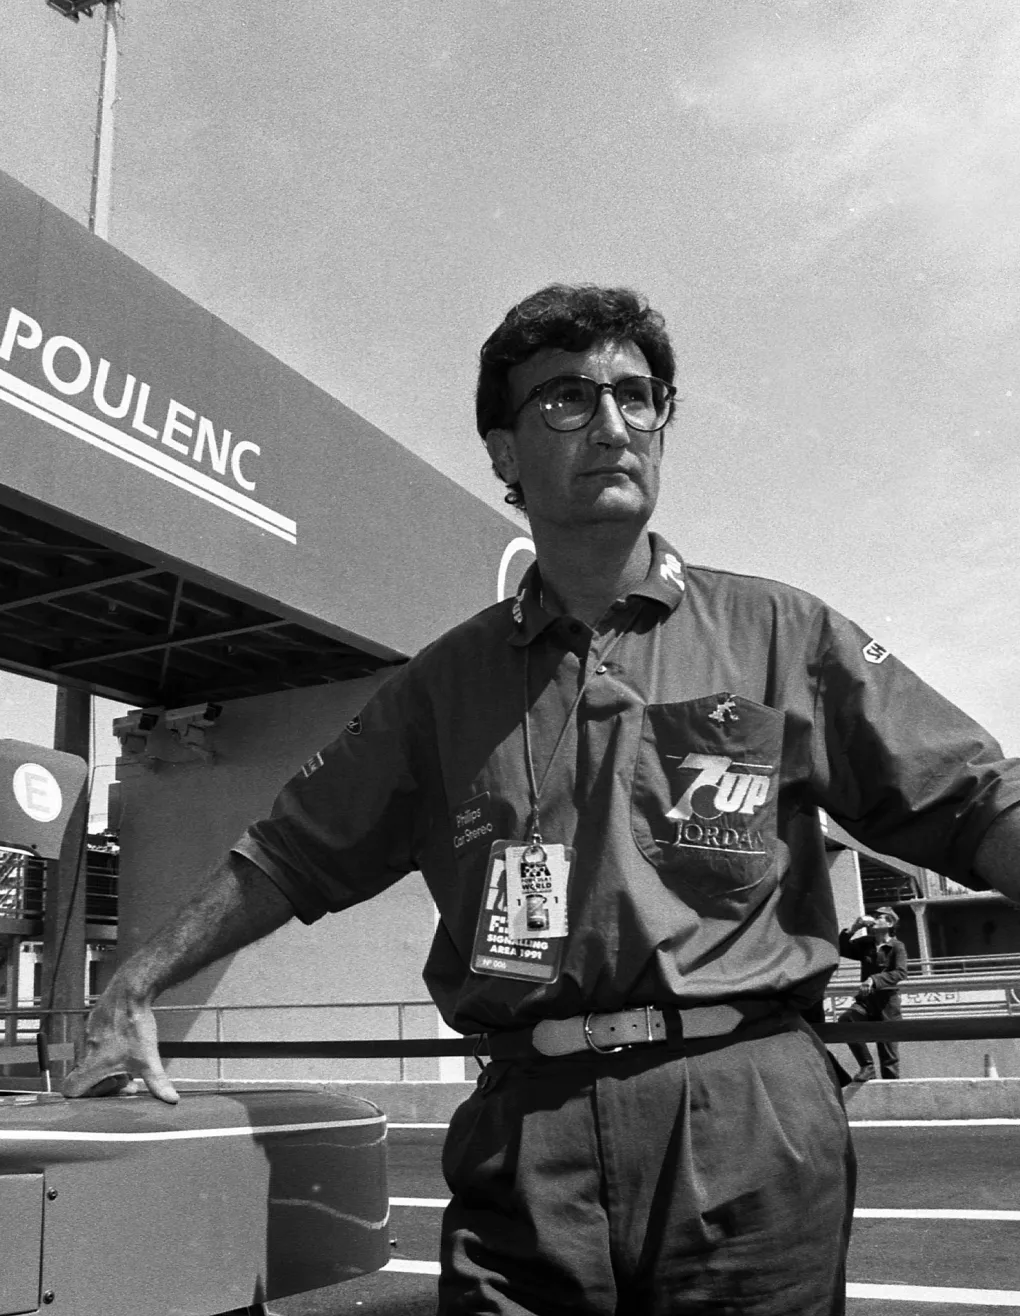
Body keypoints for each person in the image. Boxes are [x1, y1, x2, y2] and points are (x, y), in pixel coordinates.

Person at [64, 284, 1020, 1315]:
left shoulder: (783, 633)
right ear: (504, 454)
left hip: (747, 1117)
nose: (612, 425)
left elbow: (970, 799)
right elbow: (290, 852)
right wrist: (134, 982)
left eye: (637, 396)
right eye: (566, 399)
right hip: (527, 1130)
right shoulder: (439, 689)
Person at [838, 907, 909, 1080]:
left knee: (889, 1057)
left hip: (887, 1005)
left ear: (890, 923)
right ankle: (867, 1066)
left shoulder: (897, 947)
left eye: (880, 917)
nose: (875, 919)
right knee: (847, 1021)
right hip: (866, 1003)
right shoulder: (866, 943)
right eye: (874, 916)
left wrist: (874, 980)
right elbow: (841, 948)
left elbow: (901, 972)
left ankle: (892, 1095)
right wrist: (854, 928)